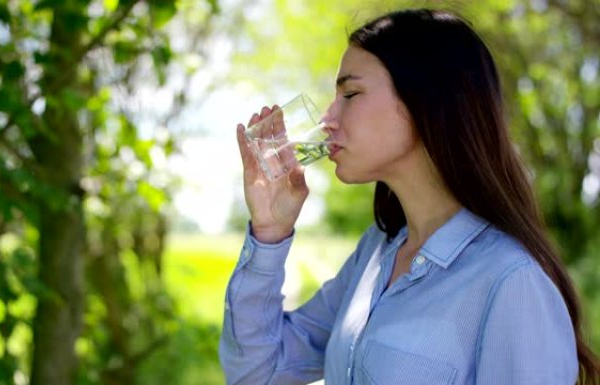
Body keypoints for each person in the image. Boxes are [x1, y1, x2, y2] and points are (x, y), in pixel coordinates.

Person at [219, 8, 600, 385]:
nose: (327, 120)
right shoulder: (375, 253)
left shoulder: (512, 283)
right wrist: (270, 232)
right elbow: (257, 371)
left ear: (426, 101)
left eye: (350, 93)